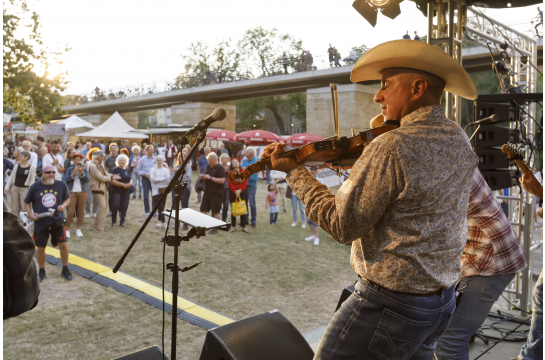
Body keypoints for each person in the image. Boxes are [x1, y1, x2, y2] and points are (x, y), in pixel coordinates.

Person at [262, 40, 479, 358]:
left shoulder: (392, 146)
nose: (378, 95)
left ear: (417, 88)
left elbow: (342, 224)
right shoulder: (459, 139)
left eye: (386, 85)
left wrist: (295, 172)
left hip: (391, 305)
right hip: (442, 301)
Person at [431, 169, 528, 359]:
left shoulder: (437, 160)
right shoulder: (451, 151)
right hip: (490, 256)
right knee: (452, 338)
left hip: (488, 260)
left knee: (449, 340)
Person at [24, 165, 72, 281]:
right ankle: (41, 271)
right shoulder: (35, 186)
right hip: (41, 221)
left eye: (53, 172)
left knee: (63, 245)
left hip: (57, 220)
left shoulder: (61, 184)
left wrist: (64, 205)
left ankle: (65, 269)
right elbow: (26, 202)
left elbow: (67, 199)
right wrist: (30, 213)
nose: (51, 174)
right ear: (43, 174)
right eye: (48, 172)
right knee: (40, 247)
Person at [88, 149, 121, 233]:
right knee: (102, 208)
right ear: (99, 157)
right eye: (102, 156)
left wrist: (113, 175)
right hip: (98, 189)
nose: (103, 157)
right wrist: (112, 178)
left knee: (103, 208)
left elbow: (105, 174)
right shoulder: (93, 166)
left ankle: (96, 225)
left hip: (102, 188)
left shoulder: (99, 165)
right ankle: (99, 228)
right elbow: (100, 177)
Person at [63, 153, 89, 238]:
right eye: (75, 159)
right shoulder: (70, 169)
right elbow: (65, 179)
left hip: (82, 192)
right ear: (73, 161)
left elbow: (87, 180)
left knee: (80, 212)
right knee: (70, 212)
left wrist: (81, 172)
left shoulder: (84, 169)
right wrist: (73, 173)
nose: (77, 161)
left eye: (79, 159)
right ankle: (67, 230)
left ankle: (78, 229)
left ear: (81, 161)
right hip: (72, 192)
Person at [199, 152, 226, 233]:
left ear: (215, 159)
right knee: (203, 209)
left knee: (216, 211)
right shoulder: (208, 166)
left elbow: (222, 180)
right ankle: (203, 227)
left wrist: (210, 178)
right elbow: (206, 174)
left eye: (210, 161)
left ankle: (215, 228)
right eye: (208, 161)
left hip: (217, 193)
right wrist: (204, 177)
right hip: (207, 192)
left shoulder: (220, 168)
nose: (209, 163)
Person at [4, 151, 36, 216]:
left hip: (25, 189)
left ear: (26, 157)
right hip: (15, 187)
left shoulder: (32, 167)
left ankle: (25, 222)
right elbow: (11, 176)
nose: (19, 157)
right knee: (14, 207)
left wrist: (31, 191)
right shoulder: (16, 165)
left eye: (21, 156)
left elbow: (32, 180)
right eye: (19, 156)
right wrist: (6, 187)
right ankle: (15, 221)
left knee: (24, 207)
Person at [109, 154, 132, 227]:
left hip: (126, 191)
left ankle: (122, 222)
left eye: (123, 160)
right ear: (118, 161)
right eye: (120, 160)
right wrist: (123, 185)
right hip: (117, 191)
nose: (122, 162)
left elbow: (130, 178)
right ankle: (114, 222)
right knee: (116, 205)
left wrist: (130, 183)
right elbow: (112, 181)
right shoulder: (115, 170)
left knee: (124, 206)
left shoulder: (127, 169)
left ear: (126, 161)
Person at [228, 159, 249, 233]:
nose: (236, 163)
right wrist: (235, 191)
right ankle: (233, 226)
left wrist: (239, 191)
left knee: (242, 209)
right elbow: (230, 183)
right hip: (233, 192)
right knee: (234, 208)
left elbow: (245, 182)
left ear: (239, 163)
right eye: (234, 162)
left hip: (242, 192)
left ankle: (243, 227)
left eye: (237, 161)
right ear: (232, 165)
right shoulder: (230, 173)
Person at [150, 155, 170, 229]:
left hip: (163, 189)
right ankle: (164, 222)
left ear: (163, 161)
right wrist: (161, 179)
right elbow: (152, 179)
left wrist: (157, 178)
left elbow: (167, 180)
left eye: (160, 160)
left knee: (162, 206)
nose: (159, 161)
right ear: (156, 161)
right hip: (155, 189)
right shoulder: (152, 169)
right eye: (158, 160)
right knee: (160, 206)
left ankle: (159, 220)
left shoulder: (166, 170)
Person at [136, 145, 156, 216]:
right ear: (147, 151)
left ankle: (154, 211)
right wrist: (144, 174)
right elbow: (138, 170)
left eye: (153, 150)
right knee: (146, 196)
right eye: (151, 150)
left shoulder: (155, 159)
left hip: (154, 179)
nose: (152, 151)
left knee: (154, 195)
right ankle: (147, 212)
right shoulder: (142, 159)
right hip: (145, 178)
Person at [304, 167, 323, 245]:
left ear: (316, 172)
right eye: (311, 171)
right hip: (308, 203)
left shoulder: (320, 180)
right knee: (309, 221)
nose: (312, 173)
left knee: (316, 221)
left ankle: (317, 238)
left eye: (313, 172)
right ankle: (313, 235)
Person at [241, 147, 258, 227]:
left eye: (246, 151)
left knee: (252, 203)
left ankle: (253, 221)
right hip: (244, 185)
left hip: (251, 185)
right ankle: (245, 219)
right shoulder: (244, 161)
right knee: (244, 203)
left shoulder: (256, 161)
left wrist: (246, 169)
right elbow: (241, 170)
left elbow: (251, 171)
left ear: (250, 153)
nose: (245, 152)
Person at [104, 143, 119, 216]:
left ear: (117, 149)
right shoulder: (108, 159)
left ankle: (119, 210)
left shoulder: (120, 158)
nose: (113, 150)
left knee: (120, 195)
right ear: (110, 150)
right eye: (112, 148)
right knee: (111, 195)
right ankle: (111, 211)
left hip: (119, 179)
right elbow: (105, 170)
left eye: (114, 148)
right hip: (111, 179)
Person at [219, 153, 231, 222]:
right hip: (219, 187)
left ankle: (224, 219)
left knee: (226, 204)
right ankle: (216, 218)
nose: (224, 159)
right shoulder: (218, 166)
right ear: (221, 159)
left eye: (225, 158)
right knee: (218, 203)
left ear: (227, 159)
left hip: (227, 187)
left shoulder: (230, 167)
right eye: (222, 158)